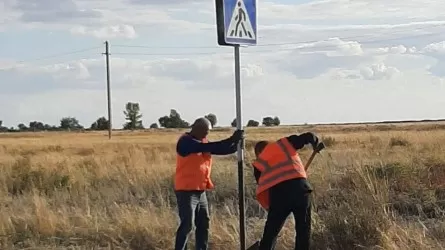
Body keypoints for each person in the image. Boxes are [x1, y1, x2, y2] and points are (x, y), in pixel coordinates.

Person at [174, 117, 244, 250]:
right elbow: (208, 147)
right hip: (186, 190)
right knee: (187, 224)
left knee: (203, 223)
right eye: (205, 131)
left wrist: (236, 145)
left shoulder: (202, 141)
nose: (207, 134)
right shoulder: (185, 142)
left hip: (200, 191)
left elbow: (219, 149)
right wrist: (231, 139)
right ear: (196, 128)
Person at [251, 132, 321, 250]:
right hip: (302, 191)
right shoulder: (284, 144)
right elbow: (308, 136)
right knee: (303, 232)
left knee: (271, 233)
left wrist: (271, 209)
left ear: (258, 153)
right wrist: (315, 143)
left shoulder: (259, 164)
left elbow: (263, 187)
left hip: (280, 196)